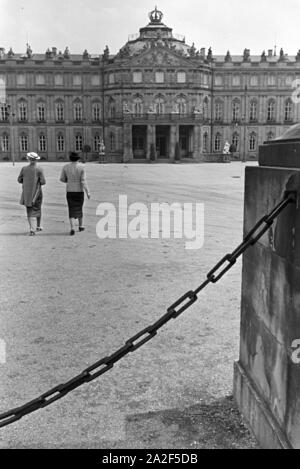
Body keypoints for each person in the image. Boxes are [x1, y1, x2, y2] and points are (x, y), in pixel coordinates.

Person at [60, 152, 90, 235]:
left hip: (70, 190)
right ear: (78, 158)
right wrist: (87, 192)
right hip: (79, 191)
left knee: (71, 209)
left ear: (70, 158)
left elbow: (62, 179)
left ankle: (72, 227)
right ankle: (80, 226)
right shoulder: (82, 167)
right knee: (79, 208)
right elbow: (83, 181)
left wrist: (68, 181)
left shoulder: (65, 167)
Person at [18, 152, 46, 236]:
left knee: (29, 210)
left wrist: (26, 181)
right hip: (37, 193)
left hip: (27, 193)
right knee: (38, 208)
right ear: (36, 160)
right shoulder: (39, 169)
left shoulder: (24, 168)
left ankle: (31, 228)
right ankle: (38, 225)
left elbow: (19, 179)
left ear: (28, 159)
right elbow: (43, 182)